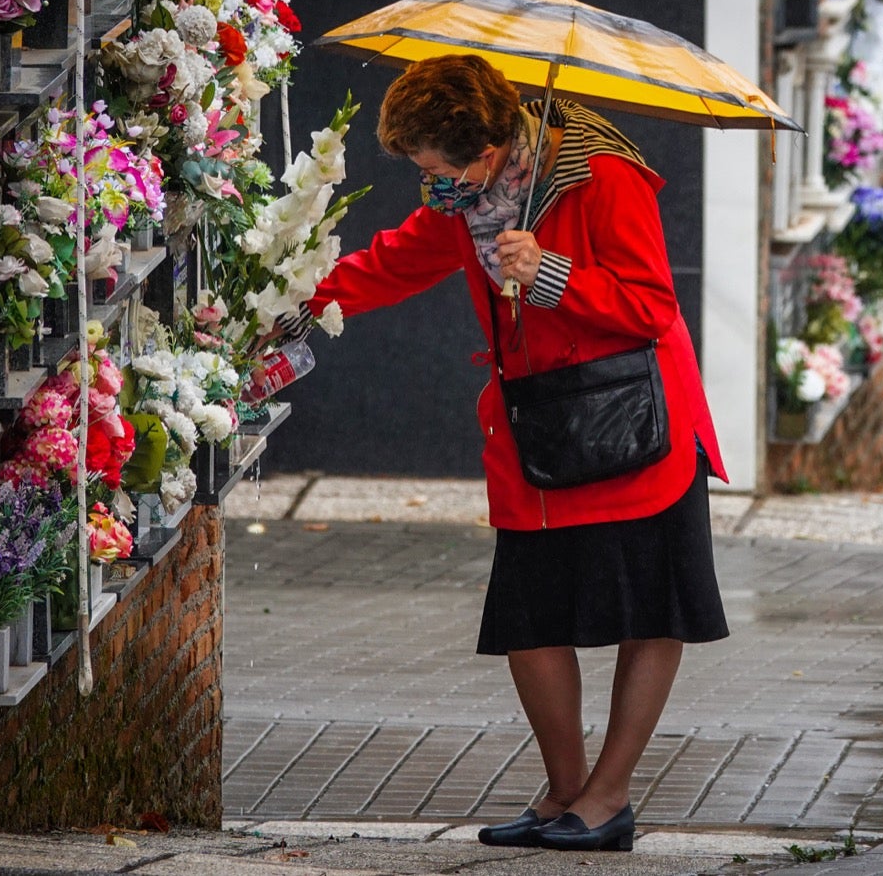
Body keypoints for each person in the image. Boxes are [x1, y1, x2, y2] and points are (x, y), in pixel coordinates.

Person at [297, 54, 729, 852]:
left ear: (485, 150)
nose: (429, 183)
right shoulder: (470, 200)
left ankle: (608, 798)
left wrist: (553, 273)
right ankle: (566, 789)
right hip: (539, 430)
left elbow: (652, 306)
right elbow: (394, 262)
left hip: (636, 422)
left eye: (433, 166)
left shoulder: (602, 174)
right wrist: (292, 300)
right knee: (529, 618)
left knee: (652, 609)